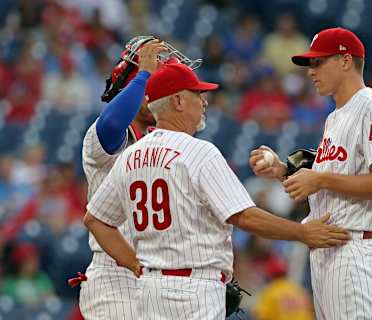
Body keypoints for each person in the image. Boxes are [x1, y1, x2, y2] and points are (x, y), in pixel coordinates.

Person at [83, 62, 351, 319]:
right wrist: (302, 232)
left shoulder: (132, 155)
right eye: (197, 94)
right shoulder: (199, 152)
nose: (204, 101)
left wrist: (136, 265)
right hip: (193, 291)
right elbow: (244, 217)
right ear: (177, 101)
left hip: (149, 289)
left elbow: (95, 219)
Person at [249, 27, 372, 319]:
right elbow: (329, 183)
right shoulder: (335, 117)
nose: (310, 71)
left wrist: (319, 178)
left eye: (318, 62)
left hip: (354, 248)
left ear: (345, 61)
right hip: (328, 250)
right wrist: (282, 170)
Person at [76, 38, 168, 319]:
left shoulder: (163, 145)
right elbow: (113, 123)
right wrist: (142, 76)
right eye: (148, 87)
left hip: (157, 276)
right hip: (115, 276)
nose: (153, 93)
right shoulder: (104, 137)